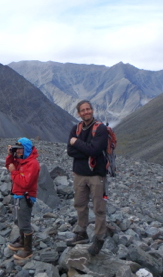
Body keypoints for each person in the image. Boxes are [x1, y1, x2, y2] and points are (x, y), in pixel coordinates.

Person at [66, 100, 109, 256]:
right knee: (80, 205)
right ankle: (81, 232)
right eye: (83, 110)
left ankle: (99, 238)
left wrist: (77, 142)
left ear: (92, 110)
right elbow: (70, 152)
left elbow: (95, 150)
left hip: (97, 175)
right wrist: (87, 149)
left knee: (99, 208)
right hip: (79, 175)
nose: (86, 112)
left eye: (88, 109)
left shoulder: (101, 129)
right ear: (78, 113)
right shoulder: (75, 128)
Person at [5, 138, 40, 260]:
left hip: (25, 196)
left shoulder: (32, 164)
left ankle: (28, 249)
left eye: (20, 149)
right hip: (18, 195)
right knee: (18, 220)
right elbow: (8, 165)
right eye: (17, 149)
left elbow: (25, 183)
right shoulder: (21, 161)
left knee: (24, 223)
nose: (18, 152)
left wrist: (14, 173)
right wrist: (10, 155)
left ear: (27, 149)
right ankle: (21, 242)